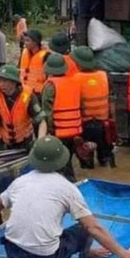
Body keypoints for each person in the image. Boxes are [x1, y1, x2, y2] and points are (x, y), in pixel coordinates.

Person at [0, 136, 130, 258]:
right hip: (47, 257)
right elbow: (93, 228)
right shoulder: (66, 188)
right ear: (61, 161)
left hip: (12, 251)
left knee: (45, 228)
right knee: (83, 228)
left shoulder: (20, 182)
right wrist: (125, 255)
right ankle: (85, 255)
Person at [72, 46, 115, 169]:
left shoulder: (74, 79)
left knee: (86, 159)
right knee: (106, 159)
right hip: (103, 124)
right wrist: (113, 121)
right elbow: (112, 100)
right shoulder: (105, 76)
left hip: (84, 125)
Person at [41, 54, 82, 182]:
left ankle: (66, 184)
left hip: (59, 130)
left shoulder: (50, 86)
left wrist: (47, 130)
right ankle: (72, 182)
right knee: (68, 159)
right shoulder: (74, 82)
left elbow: (47, 112)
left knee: (60, 164)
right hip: (75, 129)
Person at [0, 65, 47, 152]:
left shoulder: (29, 97)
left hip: (24, 141)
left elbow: (41, 121)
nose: (2, 84)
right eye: (0, 80)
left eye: (5, 81)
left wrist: (40, 143)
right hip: (2, 140)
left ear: (14, 82)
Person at [19, 29, 49, 96]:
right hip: (23, 91)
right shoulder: (24, 53)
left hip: (38, 93)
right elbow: (18, 70)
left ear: (35, 42)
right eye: (24, 40)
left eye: (27, 40)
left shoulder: (46, 56)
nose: (25, 43)